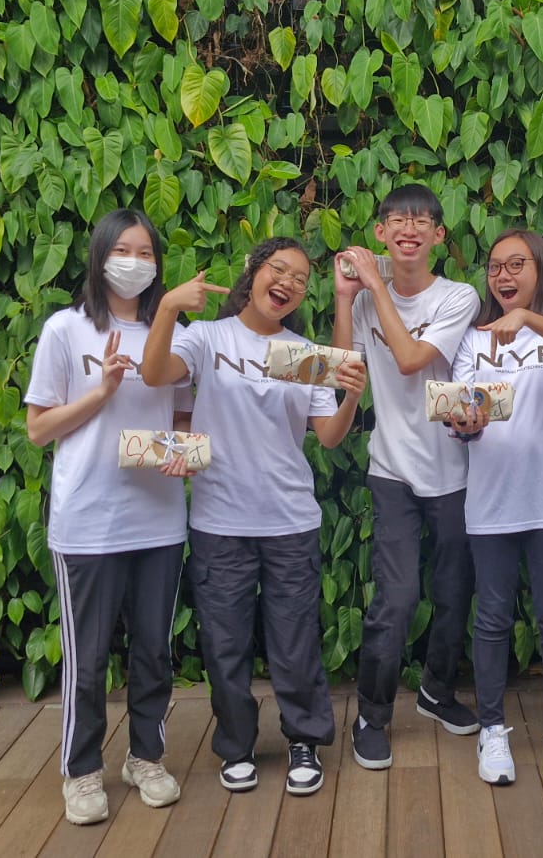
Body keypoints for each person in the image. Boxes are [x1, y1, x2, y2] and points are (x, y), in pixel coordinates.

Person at [140, 237, 366, 796]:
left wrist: (353, 398)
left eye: (299, 279)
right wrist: (169, 306)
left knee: (295, 641)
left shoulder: (302, 351)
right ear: (254, 271)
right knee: (224, 644)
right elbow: (153, 375)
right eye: (279, 269)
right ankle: (236, 747)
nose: (287, 283)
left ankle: (304, 741)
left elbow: (329, 439)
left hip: (291, 519)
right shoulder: (207, 338)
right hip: (220, 522)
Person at [24, 208, 222, 825]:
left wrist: (183, 455)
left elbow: (183, 419)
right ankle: (82, 773)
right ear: (101, 255)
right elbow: (38, 430)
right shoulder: (66, 330)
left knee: (153, 653)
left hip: (158, 520)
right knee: (86, 657)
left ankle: (146, 757)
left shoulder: (177, 332)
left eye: (146, 253)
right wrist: (102, 393)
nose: (134, 262)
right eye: (124, 250)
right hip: (88, 520)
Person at [331, 184, 482, 769]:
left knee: (452, 595)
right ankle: (371, 716)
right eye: (397, 221)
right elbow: (345, 368)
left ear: (440, 236)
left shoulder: (459, 296)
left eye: (421, 222)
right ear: (380, 234)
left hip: (454, 469)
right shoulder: (365, 299)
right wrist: (346, 300)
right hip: (390, 469)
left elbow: (412, 358)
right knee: (395, 599)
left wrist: (373, 287)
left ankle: (437, 692)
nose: (409, 230)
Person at [447, 230, 543, 786]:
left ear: (540, 269)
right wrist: (464, 422)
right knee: (490, 622)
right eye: (494, 267)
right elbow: (461, 409)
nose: (503, 276)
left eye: (516, 264)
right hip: (490, 501)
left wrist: (528, 320)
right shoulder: (474, 340)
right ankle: (492, 731)